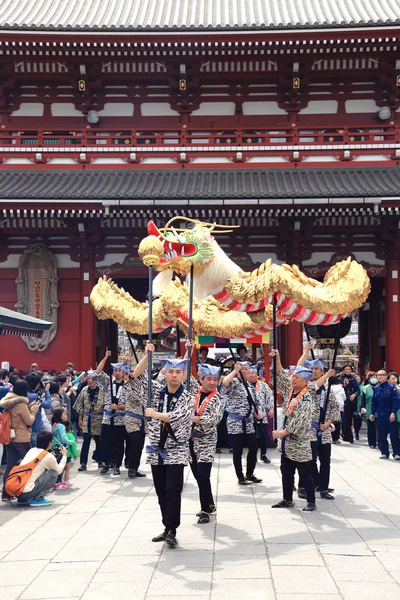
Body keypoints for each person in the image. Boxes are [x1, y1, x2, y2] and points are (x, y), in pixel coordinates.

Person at [126, 343, 195, 548]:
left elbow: (179, 417)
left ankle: (173, 528)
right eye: (171, 371)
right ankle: (166, 526)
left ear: (183, 376)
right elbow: (135, 376)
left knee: (173, 490)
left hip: (176, 450)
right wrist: (148, 356)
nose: (174, 375)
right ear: (165, 373)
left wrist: (155, 414)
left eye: (178, 372)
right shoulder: (155, 391)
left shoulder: (188, 397)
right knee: (160, 491)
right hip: (156, 451)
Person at [270, 349, 316, 512]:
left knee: (305, 473)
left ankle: (311, 501)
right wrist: (278, 358)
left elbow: (299, 422)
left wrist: (282, 433)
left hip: (300, 442)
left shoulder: (306, 398)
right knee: (286, 472)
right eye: (293, 376)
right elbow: (281, 375)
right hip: (287, 443)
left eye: (296, 377)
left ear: (305, 382)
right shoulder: (291, 391)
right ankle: (287, 499)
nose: (292, 379)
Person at [189, 364, 224, 524]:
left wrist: (192, 418)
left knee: (203, 474)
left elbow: (213, 420)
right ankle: (210, 504)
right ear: (201, 379)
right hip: (191, 440)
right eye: (208, 379)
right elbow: (182, 376)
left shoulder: (218, 398)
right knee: (198, 476)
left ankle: (204, 510)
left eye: (215, 379)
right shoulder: (193, 393)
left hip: (207, 440)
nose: (212, 382)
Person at [222, 362, 263, 486]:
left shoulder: (250, 386)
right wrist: (235, 371)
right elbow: (224, 383)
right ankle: (240, 476)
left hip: (248, 422)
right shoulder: (233, 383)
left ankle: (250, 473)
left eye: (246, 369)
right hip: (235, 422)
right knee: (237, 450)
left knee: (254, 447)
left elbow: (257, 402)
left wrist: (259, 412)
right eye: (243, 369)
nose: (245, 371)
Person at [0, 380, 40, 500]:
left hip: (10, 438)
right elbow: (29, 421)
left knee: (10, 466)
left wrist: (29, 407)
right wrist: (34, 410)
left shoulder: (8, 401)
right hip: (21, 439)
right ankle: (28, 491)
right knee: (30, 464)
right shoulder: (21, 404)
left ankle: (6, 492)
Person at [95, 352, 128, 476]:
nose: (117, 372)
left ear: (123, 372)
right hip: (107, 418)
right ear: (113, 373)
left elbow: (129, 405)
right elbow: (97, 372)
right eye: (115, 370)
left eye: (120, 370)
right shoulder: (108, 383)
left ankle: (117, 465)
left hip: (120, 419)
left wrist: (119, 406)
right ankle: (107, 463)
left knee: (119, 443)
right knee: (105, 442)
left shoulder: (128, 386)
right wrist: (106, 357)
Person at [124, 347, 155, 479]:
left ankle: (134, 467)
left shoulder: (148, 387)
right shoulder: (131, 385)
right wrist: (148, 355)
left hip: (142, 420)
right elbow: (137, 373)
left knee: (139, 445)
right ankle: (130, 466)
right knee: (135, 442)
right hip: (131, 419)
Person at [17, 430, 68, 506]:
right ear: (49, 443)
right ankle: (38, 499)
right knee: (53, 474)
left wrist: (52, 454)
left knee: (39, 471)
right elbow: (59, 471)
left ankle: (22, 500)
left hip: (18, 490)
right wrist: (64, 456)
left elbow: (41, 461)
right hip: (27, 492)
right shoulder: (47, 456)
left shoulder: (32, 450)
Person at [74, 371, 105, 471]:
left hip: (99, 418)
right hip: (87, 418)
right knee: (86, 441)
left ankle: (100, 460)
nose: (90, 381)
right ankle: (83, 463)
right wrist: (80, 419)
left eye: (93, 378)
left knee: (99, 441)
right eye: (89, 379)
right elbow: (80, 406)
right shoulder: (84, 390)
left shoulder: (102, 390)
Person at [370, 369, 400, 460]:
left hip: (390, 415)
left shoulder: (392, 388)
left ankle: (396, 453)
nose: (380, 377)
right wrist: (372, 413)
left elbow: (396, 402)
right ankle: (384, 452)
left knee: (393, 434)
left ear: (386, 376)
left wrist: (393, 413)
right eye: (378, 375)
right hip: (380, 415)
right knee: (381, 435)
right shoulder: (376, 389)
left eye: (382, 375)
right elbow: (374, 402)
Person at [246, 366, 273, 464]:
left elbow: (270, 397)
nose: (250, 375)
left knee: (263, 435)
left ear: (257, 375)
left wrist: (271, 408)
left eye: (252, 373)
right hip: (249, 416)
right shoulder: (244, 386)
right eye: (248, 373)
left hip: (262, 415)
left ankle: (263, 454)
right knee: (251, 437)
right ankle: (252, 455)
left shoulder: (263, 385)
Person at [25, 373, 52, 446]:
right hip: (35, 427)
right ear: (37, 384)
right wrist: (47, 390)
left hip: (25, 428)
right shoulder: (35, 396)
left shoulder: (24, 394)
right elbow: (48, 405)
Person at [51, 408, 74, 488]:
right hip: (62, 448)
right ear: (60, 416)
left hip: (56, 447)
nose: (66, 416)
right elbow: (64, 438)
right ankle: (60, 482)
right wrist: (71, 441)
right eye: (64, 414)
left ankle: (57, 482)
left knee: (58, 464)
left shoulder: (54, 425)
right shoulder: (61, 426)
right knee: (64, 465)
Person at [339, 365, 360, 443]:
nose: (348, 370)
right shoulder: (340, 379)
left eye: (349, 369)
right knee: (346, 420)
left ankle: (350, 434)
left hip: (352, 402)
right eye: (346, 369)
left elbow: (358, 390)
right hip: (344, 402)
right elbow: (338, 389)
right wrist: (344, 386)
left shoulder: (353, 379)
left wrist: (354, 395)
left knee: (355, 419)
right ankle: (348, 436)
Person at [360, 372, 378, 448]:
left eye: (375, 377)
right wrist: (362, 407)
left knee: (380, 428)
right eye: (372, 377)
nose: (374, 379)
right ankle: (372, 443)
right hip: (369, 409)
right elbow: (363, 400)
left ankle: (379, 441)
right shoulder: (365, 388)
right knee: (371, 427)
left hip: (380, 410)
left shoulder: (380, 387)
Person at [330, 376, 346, 444]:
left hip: (331, 407)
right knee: (338, 422)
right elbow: (344, 397)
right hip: (340, 407)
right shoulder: (341, 388)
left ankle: (331, 437)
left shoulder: (328, 388)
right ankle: (336, 438)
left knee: (331, 422)